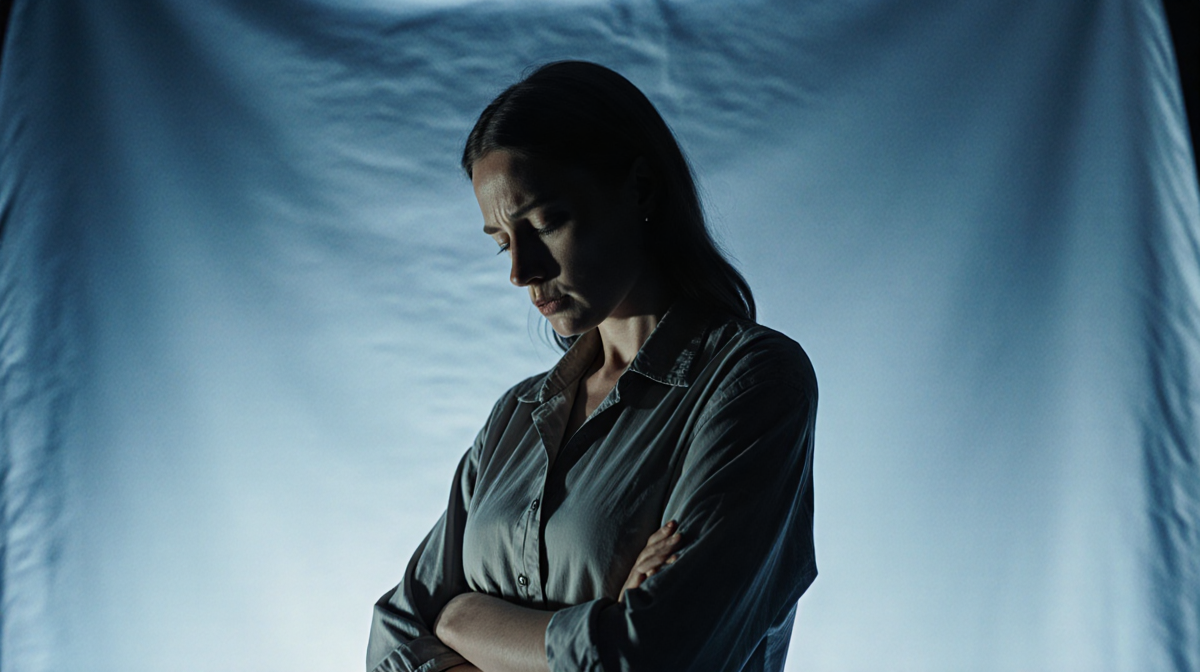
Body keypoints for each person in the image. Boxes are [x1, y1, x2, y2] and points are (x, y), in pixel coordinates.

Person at [367, 60, 817, 672]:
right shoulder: (517, 418)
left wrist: (461, 619)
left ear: (640, 189)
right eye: (502, 240)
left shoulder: (754, 382)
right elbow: (391, 641)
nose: (520, 271)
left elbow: (653, 659)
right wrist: (594, 625)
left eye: (547, 222)